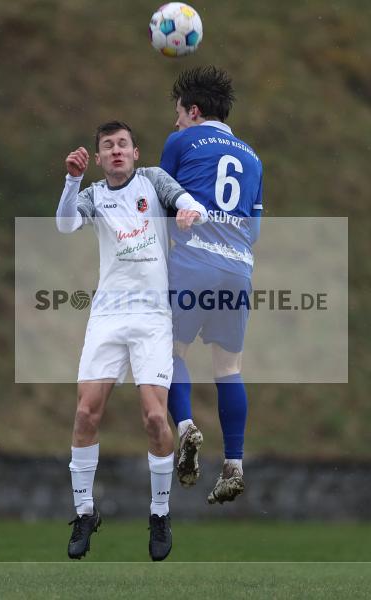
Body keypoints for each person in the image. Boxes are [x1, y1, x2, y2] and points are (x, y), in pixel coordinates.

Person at [56, 121, 207, 561]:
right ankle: (84, 512)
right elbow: (65, 225)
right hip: (107, 316)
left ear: (136, 152)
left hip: (152, 317)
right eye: (108, 146)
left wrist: (188, 212)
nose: (117, 151)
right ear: (99, 158)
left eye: (123, 144)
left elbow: (189, 202)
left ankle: (159, 513)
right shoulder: (92, 195)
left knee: (155, 419)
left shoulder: (153, 181)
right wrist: (71, 180)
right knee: (85, 413)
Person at [159, 66, 264, 504]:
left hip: (192, 262)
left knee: (169, 352)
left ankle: (186, 428)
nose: (176, 122)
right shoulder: (253, 158)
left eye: (179, 113)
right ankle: (234, 464)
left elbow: (159, 203)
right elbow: (254, 229)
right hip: (238, 270)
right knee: (229, 368)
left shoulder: (181, 143)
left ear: (195, 111)